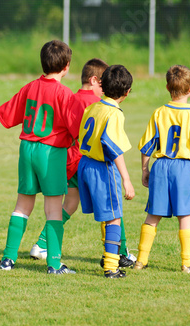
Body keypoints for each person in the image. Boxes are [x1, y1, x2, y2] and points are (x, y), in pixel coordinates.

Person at [0, 40, 78, 274]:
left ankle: (7, 259)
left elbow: (6, 109)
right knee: (53, 209)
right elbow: (77, 128)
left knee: (22, 205)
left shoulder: (31, 88)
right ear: (66, 66)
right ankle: (55, 264)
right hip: (51, 152)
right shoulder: (65, 94)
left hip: (27, 149)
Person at [134, 65, 190, 273]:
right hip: (184, 167)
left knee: (153, 215)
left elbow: (146, 146)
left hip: (160, 166)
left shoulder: (159, 113)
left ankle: (140, 260)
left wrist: (145, 169)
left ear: (168, 87)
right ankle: (187, 263)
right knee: (184, 215)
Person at [78, 64, 135, 278]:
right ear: (127, 92)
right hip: (103, 168)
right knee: (114, 218)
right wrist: (126, 179)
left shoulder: (93, 107)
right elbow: (112, 146)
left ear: (102, 86)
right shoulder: (115, 113)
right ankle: (111, 266)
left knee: (107, 216)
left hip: (85, 163)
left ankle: (108, 256)